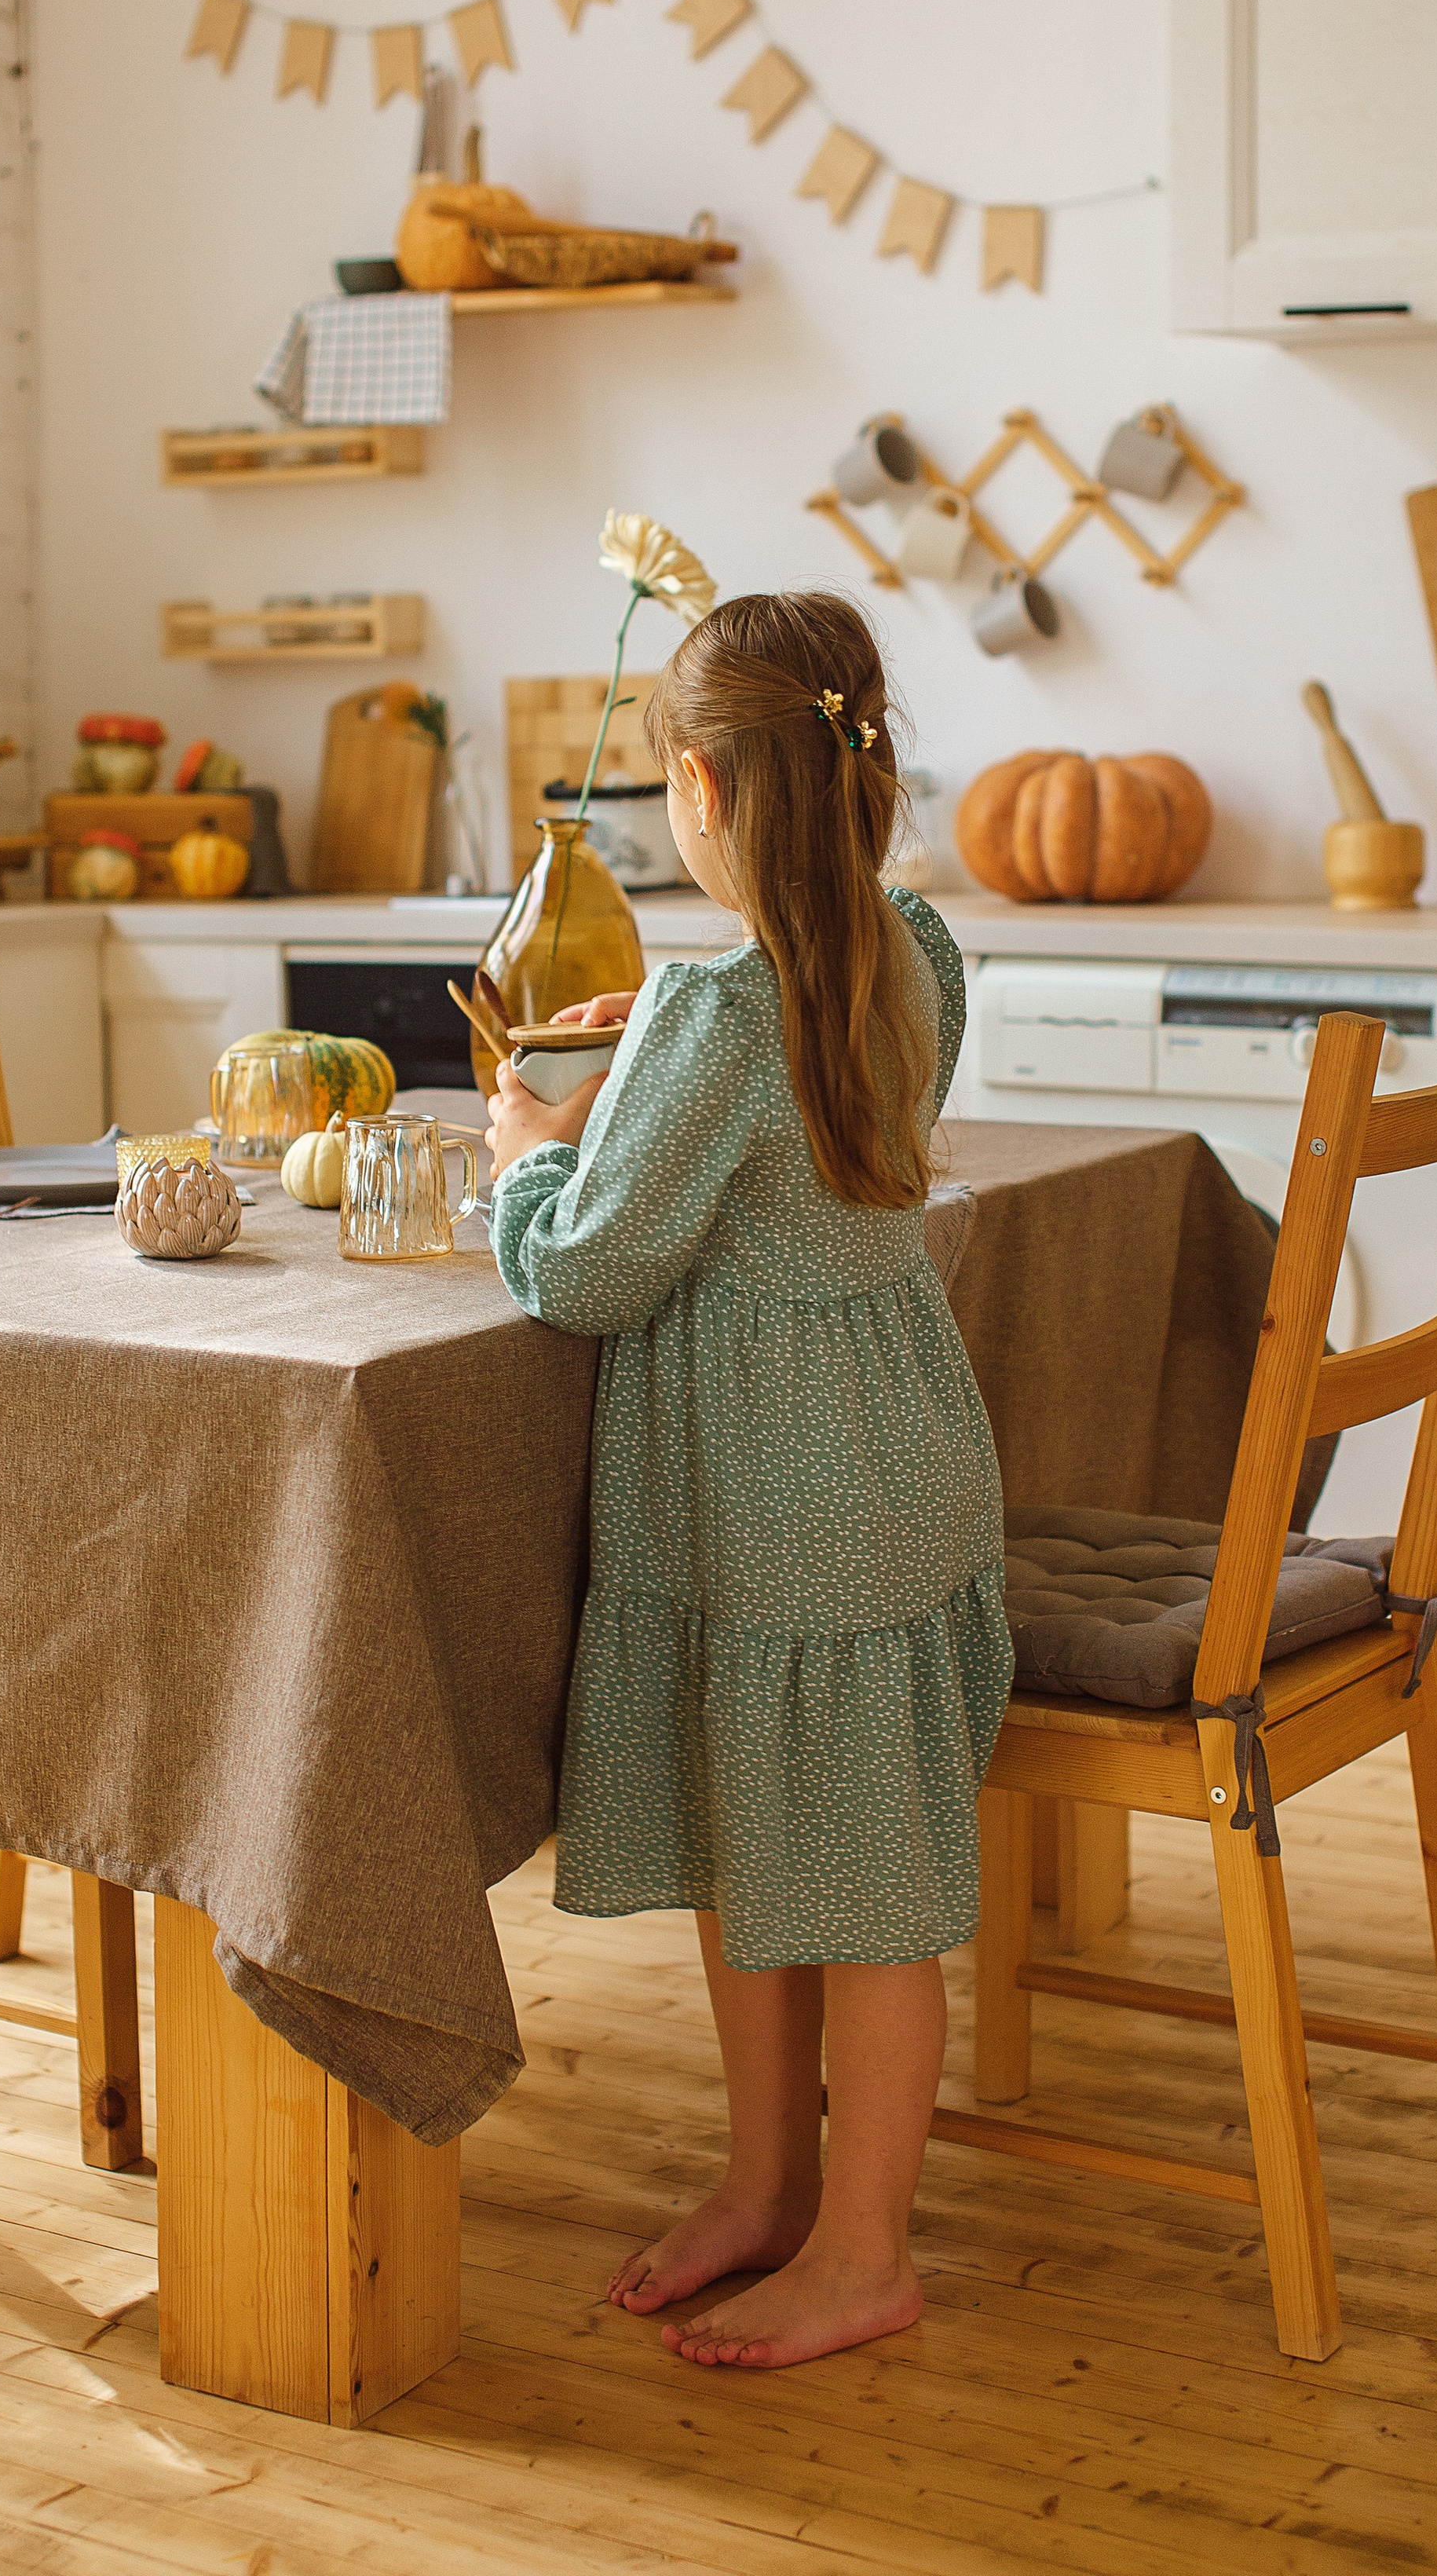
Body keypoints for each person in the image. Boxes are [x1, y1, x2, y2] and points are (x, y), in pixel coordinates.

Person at [484, 587, 1009, 2373]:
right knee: (801, 1850)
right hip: (892, 1458)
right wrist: (656, 1052)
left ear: (699, 792)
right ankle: (773, 2191)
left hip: (773, 1498)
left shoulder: (717, 1023)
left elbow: (591, 1274)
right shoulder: (917, 947)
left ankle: (862, 2251)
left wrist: (528, 1158)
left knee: (825, 1884)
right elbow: (811, 1101)